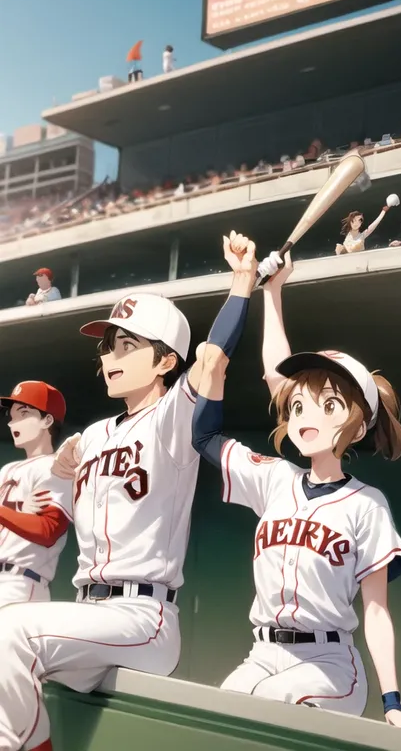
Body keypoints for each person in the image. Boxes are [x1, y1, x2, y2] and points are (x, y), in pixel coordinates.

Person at [0, 273, 255, 751]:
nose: (109, 357)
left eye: (126, 346)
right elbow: (63, 503)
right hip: (88, 612)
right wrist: (60, 464)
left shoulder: (173, 418)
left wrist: (242, 282)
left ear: (165, 359)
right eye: (107, 348)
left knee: (8, 631)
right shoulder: (93, 435)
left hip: (143, 615)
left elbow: (214, 356)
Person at [191, 236, 401, 734]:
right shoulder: (275, 478)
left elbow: (378, 611)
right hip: (263, 651)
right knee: (217, 715)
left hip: (331, 664)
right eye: (299, 407)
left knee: (266, 706)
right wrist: (272, 292)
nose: (305, 416)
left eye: (329, 405)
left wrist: (391, 703)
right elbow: (206, 433)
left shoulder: (366, 504)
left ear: (358, 427)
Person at [0, 381, 72, 607]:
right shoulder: (7, 470)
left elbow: (48, 531)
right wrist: (18, 509)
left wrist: (6, 511)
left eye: (23, 414)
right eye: (11, 417)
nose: (13, 423)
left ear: (47, 420)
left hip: (21, 583)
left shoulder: (57, 467)